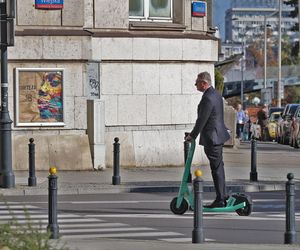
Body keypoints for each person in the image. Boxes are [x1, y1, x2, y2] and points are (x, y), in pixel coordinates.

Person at [185, 71, 230, 208]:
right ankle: (223, 194)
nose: (195, 85)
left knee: (216, 168)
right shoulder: (215, 94)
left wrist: (192, 135)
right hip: (217, 136)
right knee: (218, 167)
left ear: (204, 83)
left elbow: (201, 120)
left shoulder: (208, 98)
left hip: (212, 138)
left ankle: (221, 198)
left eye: (197, 82)